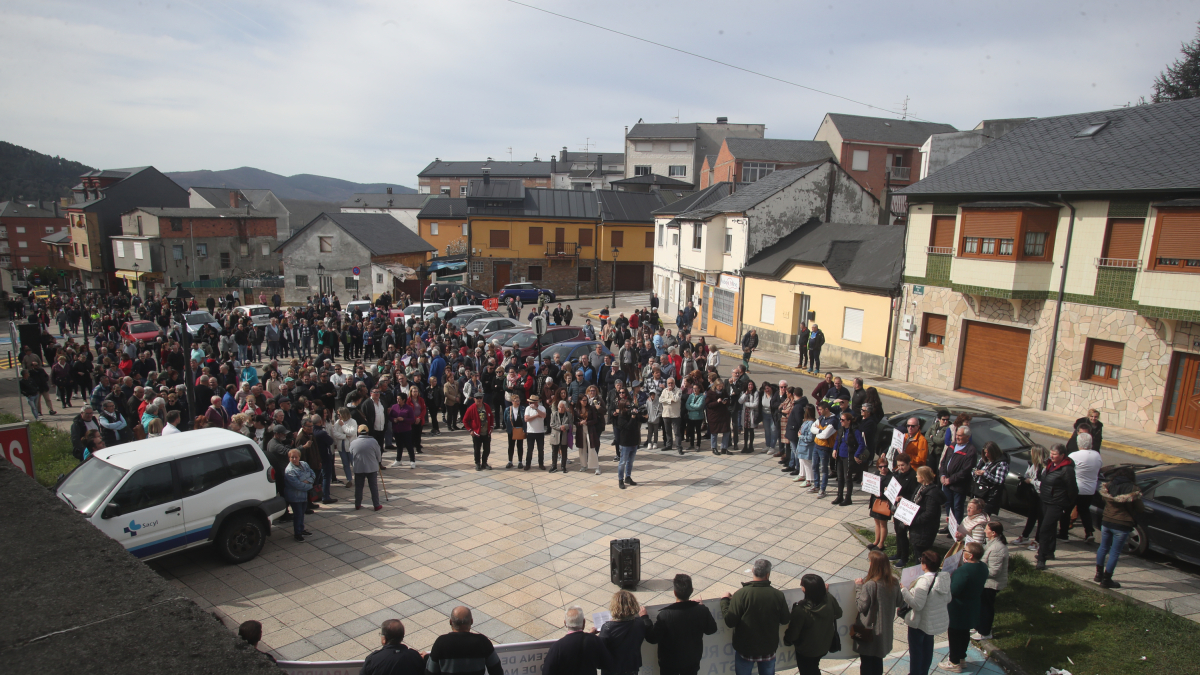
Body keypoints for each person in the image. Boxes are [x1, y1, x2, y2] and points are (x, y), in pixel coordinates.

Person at [720, 559, 790, 675]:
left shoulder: (741, 594)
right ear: (768, 575)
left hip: (745, 649)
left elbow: (730, 621)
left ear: (752, 571)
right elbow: (785, 619)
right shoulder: (778, 595)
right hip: (768, 649)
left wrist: (724, 601)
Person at [643, 574, 718, 675]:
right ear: (692, 590)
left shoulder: (665, 615)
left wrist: (645, 618)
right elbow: (712, 629)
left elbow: (652, 638)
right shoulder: (701, 611)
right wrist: (701, 605)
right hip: (691, 664)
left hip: (669, 666)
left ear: (674, 592)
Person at [852, 550, 902, 675]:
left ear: (873, 565)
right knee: (877, 662)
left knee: (867, 664)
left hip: (870, 630)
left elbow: (861, 607)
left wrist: (858, 588)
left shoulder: (870, 585)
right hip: (885, 629)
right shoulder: (894, 582)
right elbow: (900, 602)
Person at [900, 550, 950, 675]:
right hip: (932, 621)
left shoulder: (923, 582)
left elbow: (917, 605)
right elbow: (948, 598)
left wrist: (904, 591)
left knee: (916, 651)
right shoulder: (944, 578)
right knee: (928, 650)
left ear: (925, 565)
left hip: (920, 622)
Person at [941, 542, 988, 673]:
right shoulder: (983, 567)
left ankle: (954, 661)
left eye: (965, 550)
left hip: (958, 608)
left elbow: (954, 590)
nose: (963, 552)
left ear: (970, 555)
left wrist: (950, 578)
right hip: (972, 606)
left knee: (955, 635)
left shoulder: (964, 571)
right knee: (965, 633)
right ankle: (962, 657)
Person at [782, 574, 842, 675]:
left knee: (808, 670)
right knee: (813, 667)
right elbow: (839, 613)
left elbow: (793, 633)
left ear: (805, 590)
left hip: (806, 650)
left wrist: (787, 640)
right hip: (824, 645)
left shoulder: (801, 610)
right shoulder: (829, 599)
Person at [1095, 466, 1144, 589]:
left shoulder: (1109, 486)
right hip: (1122, 524)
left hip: (1106, 521)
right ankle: (1107, 580)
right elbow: (1140, 508)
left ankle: (1098, 575)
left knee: (1103, 547)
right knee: (1114, 552)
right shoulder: (1133, 489)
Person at [426, 607, 503, 675]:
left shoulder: (441, 643)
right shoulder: (483, 642)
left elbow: (430, 672)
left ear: (450, 622)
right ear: (472, 621)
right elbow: (497, 671)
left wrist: (427, 658)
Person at [1036, 444, 1077, 570]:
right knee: (1050, 528)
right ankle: (1049, 552)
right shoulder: (1050, 465)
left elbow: (1073, 489)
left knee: (1044, 530)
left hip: (1057, 503)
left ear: (1062, 455)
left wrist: (1067, 505)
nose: (1051, 456)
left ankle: (1041, 557)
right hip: (1046, 501)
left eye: (1054, 454)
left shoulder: (1066, 470)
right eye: (1051, 453)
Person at [543, 607, 614, 675]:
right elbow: (607, 664)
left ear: (565, 623)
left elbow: (547, 671)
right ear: (584, 622)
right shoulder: (594, 640)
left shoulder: (557, 647)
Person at [973, 521, 1009, 641]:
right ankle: (978, 626)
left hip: (991, 584)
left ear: (993, 533)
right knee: (980, 606)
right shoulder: (991, 544)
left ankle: (985, 632)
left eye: (986, 529)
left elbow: (994, 571)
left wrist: (978, 570)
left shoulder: (997, 548)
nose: (984, 531)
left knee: (986, 608)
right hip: (985, 582)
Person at [597, 590, 647, 675]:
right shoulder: (639, 623)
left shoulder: (608, 627)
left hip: (612, 669)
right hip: (631, 667)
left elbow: (600, 651)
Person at [1066, 432, 1102, 543]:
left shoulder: (1073, 456)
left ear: (1078, 443)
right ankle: (1089, 533)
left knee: (1067, 510)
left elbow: (1067, 470)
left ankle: (1064, 532)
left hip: (1075, 488)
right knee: (1085, 511)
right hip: (1090, 489)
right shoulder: (1096, 455)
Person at [938, 426, 977, 525]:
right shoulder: (952, 445)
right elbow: (943, 462)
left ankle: (956, 527)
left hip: (959, 486)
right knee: (948, 505)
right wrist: (942, 475)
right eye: (957, 435)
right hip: (946, 483)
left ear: (968, 437)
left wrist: (950, 480)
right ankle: (949, 526)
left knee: (957, 507)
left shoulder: (970, 450)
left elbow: (966, 470)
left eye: (960, 435)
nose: (957, 437)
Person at [907, 467, 945, 563]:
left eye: (918, 474)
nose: (916, 476)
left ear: (923, 477)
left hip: (924, 530)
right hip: (918, 529)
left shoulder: (931, 494)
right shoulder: (921, 487)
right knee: (917, 552)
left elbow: (929, 514)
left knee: (921, 556)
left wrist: (913, 521)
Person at [1013, 444, 1047, 550]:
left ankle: (1038, 541)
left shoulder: (1045, 467)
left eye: (1031, 452)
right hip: (1033, 495)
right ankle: (1025, 536)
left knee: (1041, 518)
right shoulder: (1032, 464)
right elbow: (1028, 474)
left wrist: (1031, 481)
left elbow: (1043, 483)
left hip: (1042, 495)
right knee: (1031, 516)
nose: (1030, 454)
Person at [349, 424, 384, 511]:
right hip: (371, 468)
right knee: (373, 487)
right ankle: (376, 505)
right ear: (368, 432)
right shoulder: (373, 441)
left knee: (359, 487)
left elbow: (350, 452)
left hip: (358, 468)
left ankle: (357, 504)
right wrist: (379, 461)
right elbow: (378, 454)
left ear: (358, 432)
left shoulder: (353, 442)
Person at [283, 449, 315, 542]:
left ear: (299, 457)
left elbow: (312, 474)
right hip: (295, 497)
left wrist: (308, 481)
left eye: (296, 457)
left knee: (302, 513)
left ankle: (301, 529)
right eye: (292, 457)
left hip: (303, 495)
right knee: (298, 514)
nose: (294, 459)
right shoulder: (289, 470)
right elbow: (297, 484)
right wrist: (309, 485)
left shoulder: (304, 464)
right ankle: (297, 534)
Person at [971, 442, 1009, 516]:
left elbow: (999, 480)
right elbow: (974, 469)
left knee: (983, 517)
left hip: (988, 496)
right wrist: (975, 473)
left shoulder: (1002, 463)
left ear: (994, 452)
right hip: (978, 492)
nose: (986, 455)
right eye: (985, 453)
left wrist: (985, 474)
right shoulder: (984, 460)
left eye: (988, 453)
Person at [463, 392, 495, 471]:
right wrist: (470, 430)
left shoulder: (486, 406)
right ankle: (477, 463)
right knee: (477, 449)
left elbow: (491, 417)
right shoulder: (471, 408)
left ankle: (484, 463)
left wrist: (491, 427)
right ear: (474, 399)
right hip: (477, 433)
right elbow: (465, 420)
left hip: (486, 432)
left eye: (480, 398)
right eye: (477, 398)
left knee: (487, 449)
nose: (479, 400)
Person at [548, 400, 573, 473]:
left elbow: (571, 425)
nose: (561, 409)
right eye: (560, 407)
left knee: (564, 452)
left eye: (562, 407)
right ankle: (554, 466)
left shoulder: (569, 415)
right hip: (555, 435)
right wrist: (560, 427)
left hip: (564, 435)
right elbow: (551, 424)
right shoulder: (554, 414)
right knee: (554, 452)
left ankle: (563, 466)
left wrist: (565, 426)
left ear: (565, 408)